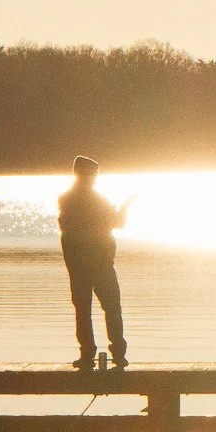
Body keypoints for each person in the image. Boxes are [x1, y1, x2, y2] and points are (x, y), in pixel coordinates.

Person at [57, 155, 128, 371]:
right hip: (99, 264)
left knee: (83, 310)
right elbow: (117, 223)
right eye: (94, 174)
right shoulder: (98, 201)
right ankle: (118, 354)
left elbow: (67, 233)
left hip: (78, 266)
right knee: (112, 308)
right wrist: (125, 207)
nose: (96, 178)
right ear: (86, 174)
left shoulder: (66, 199)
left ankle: (87, 355)